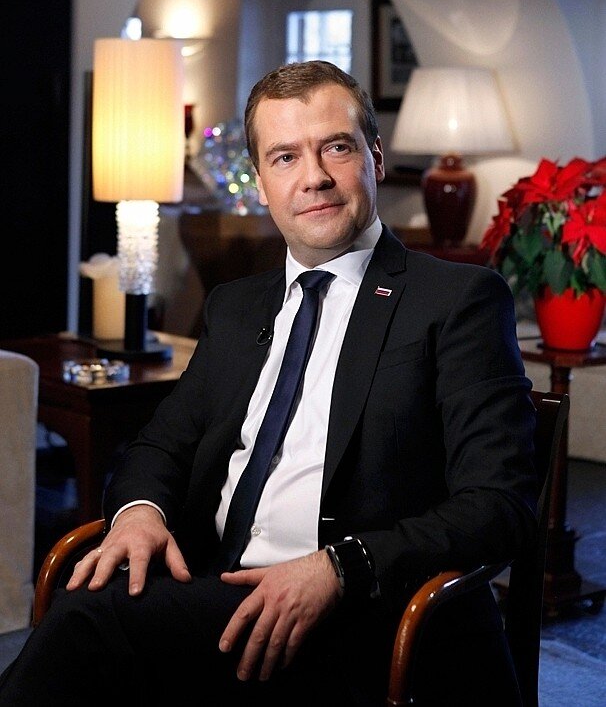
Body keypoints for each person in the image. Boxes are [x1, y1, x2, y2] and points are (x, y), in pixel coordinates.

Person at [0, 60, 537, 706]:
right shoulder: (236, 307)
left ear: (374, 156)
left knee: (87, 627)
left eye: (336, 148)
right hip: (222, 592)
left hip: (366, 615)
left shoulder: (457, 300)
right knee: (86, 605)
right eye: (285, 157)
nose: (314, 177)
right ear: (261, 182)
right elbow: (161, 446)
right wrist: (140, 514)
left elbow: (499, 506)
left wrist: (339, 567)